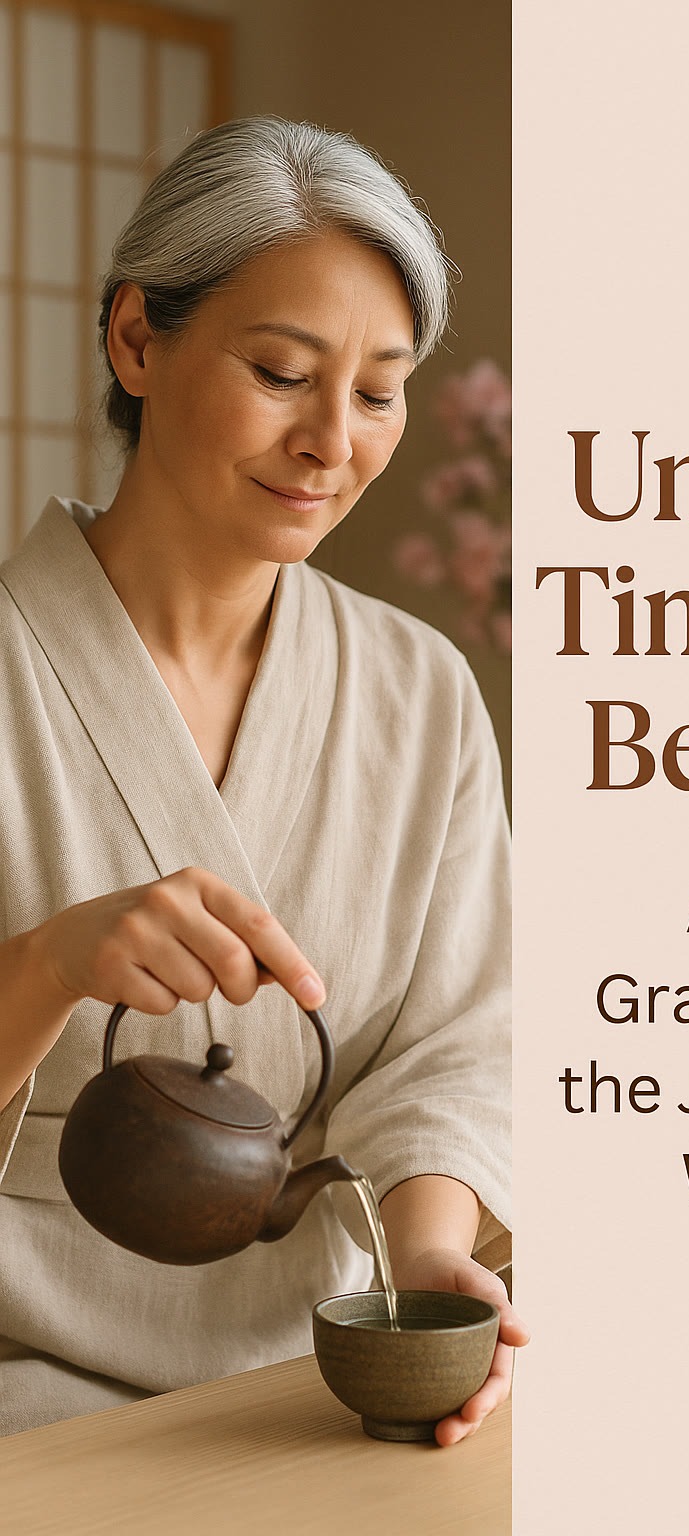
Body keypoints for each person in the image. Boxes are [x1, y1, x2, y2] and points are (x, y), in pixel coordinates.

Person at [0, 116, 523, 1441]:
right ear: (135, 341)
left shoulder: (423, 694)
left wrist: (426, 1259)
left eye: (380, 389)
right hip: (26, 1394)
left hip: (317, 1387)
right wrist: (57, 962)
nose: (332, 441)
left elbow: (457, 1043)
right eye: (284, 371)